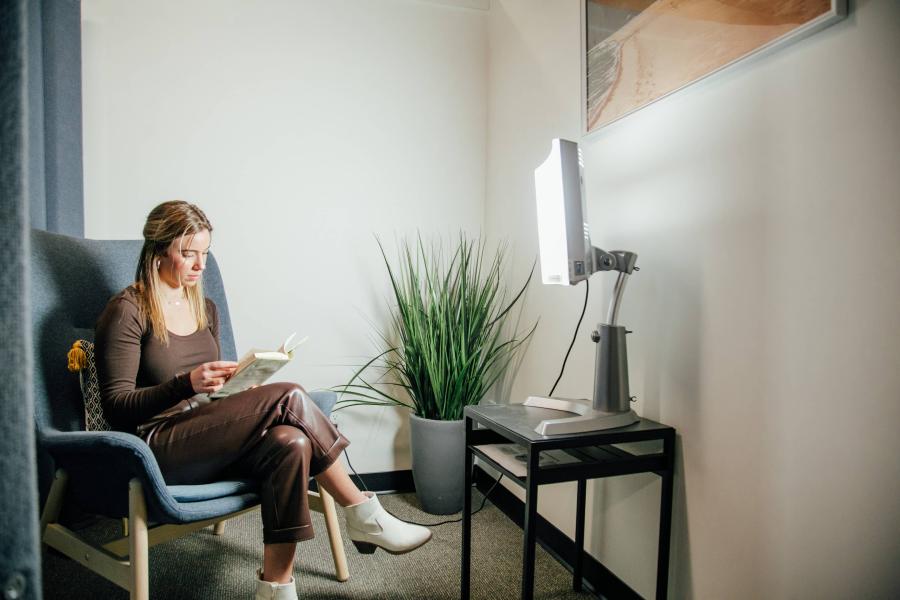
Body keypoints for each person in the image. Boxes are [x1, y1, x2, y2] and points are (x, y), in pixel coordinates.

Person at [94, 200, 431, 600]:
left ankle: (275, 588)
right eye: (188, 253)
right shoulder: (128, 310)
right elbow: (117, 406)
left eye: (205, 253)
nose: (201, 265)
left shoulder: (205, 307)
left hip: (209, 434)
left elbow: (213, 393)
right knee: (290, 395)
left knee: (293, 442)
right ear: (159, 250)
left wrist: (239, 388)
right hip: (158, 447)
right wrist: (186, 383)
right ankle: (363, 513)